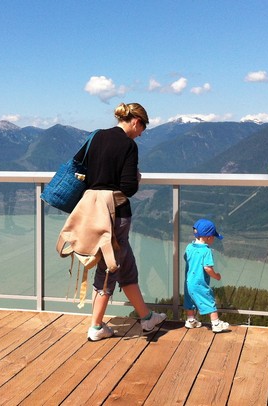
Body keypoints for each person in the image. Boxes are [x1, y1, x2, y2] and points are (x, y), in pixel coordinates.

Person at [73, 102, 166, 342]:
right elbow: (128, 188)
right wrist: (136, 177)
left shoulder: (97, 136)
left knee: (125, 264)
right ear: (136, 121)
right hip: (116, 213)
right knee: (109, 267)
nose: (141, 133)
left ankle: (147, 318)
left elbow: (78, 164)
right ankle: (95, 326)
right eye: (142, 128)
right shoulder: (128, 145)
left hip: (93, 208)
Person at [183, 218, 230, 333]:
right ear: (208, 237)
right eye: (213, 236)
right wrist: (216, 276)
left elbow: (186, 258)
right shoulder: (206, 251)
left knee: (190, 300)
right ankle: (216, 324)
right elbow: (207, 268)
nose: (214, 239)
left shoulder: (189, 247)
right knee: (209, 300)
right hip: (199, 283)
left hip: (189, 281)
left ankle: (190, 320)